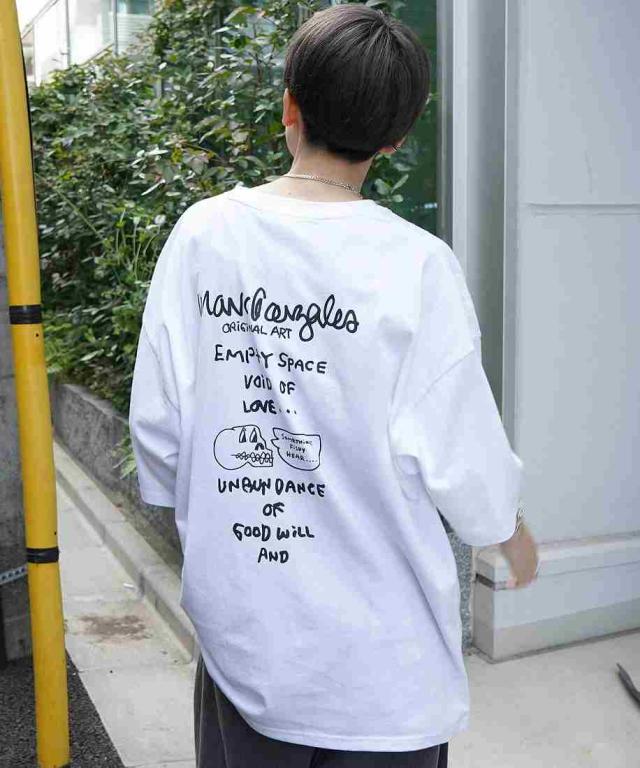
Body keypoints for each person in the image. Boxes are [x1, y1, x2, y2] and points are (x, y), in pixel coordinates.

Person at [128, 4, 539, 767]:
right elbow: (464, 458)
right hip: (386, 674)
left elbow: (159, 435)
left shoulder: (203, 236)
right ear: (395, 138)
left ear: (289, 106)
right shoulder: (417, 266)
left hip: (249, 651)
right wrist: (508, 532)